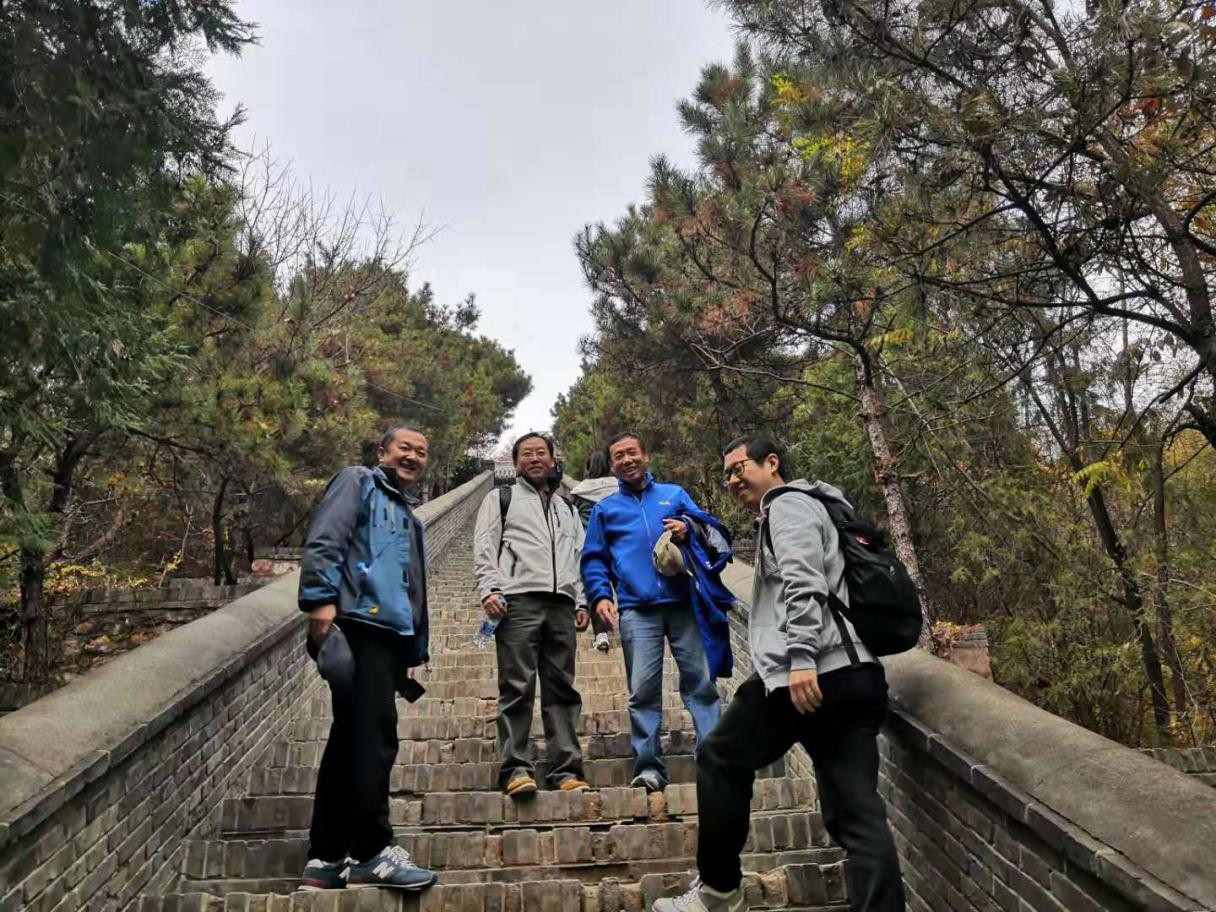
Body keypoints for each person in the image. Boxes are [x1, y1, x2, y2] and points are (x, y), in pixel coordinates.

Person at [653, 436, 905, 912]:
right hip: (856, 674)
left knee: (720, 756)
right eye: (726, 473)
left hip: (808, 672)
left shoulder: (787, 505)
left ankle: (719, 891)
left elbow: (803, 582)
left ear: (772, 463)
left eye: (739, 467)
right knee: (857, 816)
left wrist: (802, 658)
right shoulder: (821, 506)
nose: (732, 480)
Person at [296, 426, 438, 893]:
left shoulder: (410, 517)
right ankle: (371, 851)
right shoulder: (357, 481)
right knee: (375, 739)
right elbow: (326, 537)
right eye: (404, 448)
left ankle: (326, 856)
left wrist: (412, 648)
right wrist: (320, 601)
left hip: (389, 636)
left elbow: (411, 587)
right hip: (358, 623)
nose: (412, 456)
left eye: (420, 452)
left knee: (350, 740)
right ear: (382, 452)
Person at [580, 432, 721, 793]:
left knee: (701, 684)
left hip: (684, 604)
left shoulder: (674, 495)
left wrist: (687, 530)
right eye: (619, 457)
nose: (626, 460)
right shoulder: (605, 510)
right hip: (636, 610)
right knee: (642, 691)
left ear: (646, 456)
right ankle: (648, 768)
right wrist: (600, 596)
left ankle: (714, 760)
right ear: (612, 466)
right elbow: (593, 559)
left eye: (632, 453)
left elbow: (709, 533)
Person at [472, 432, 592, 797]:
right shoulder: (501, 498)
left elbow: (579, 556)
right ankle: (515, 770)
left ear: (553, 460)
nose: (535, 458)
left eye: (541, 452)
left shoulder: (567, 508)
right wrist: (490, 590)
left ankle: (566, 771)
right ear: (516, 463)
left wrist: (582, 601)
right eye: (527, 454)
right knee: (517, 686)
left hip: (561, 605)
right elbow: (485, 545)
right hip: (518, 602)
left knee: (562, 689)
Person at [568, 450, 618, 652]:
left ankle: (601, 632)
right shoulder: (620, 489)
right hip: (617, 542)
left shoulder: (579, 492)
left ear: (588, 468)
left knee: (595, 585)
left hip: (589, 545)